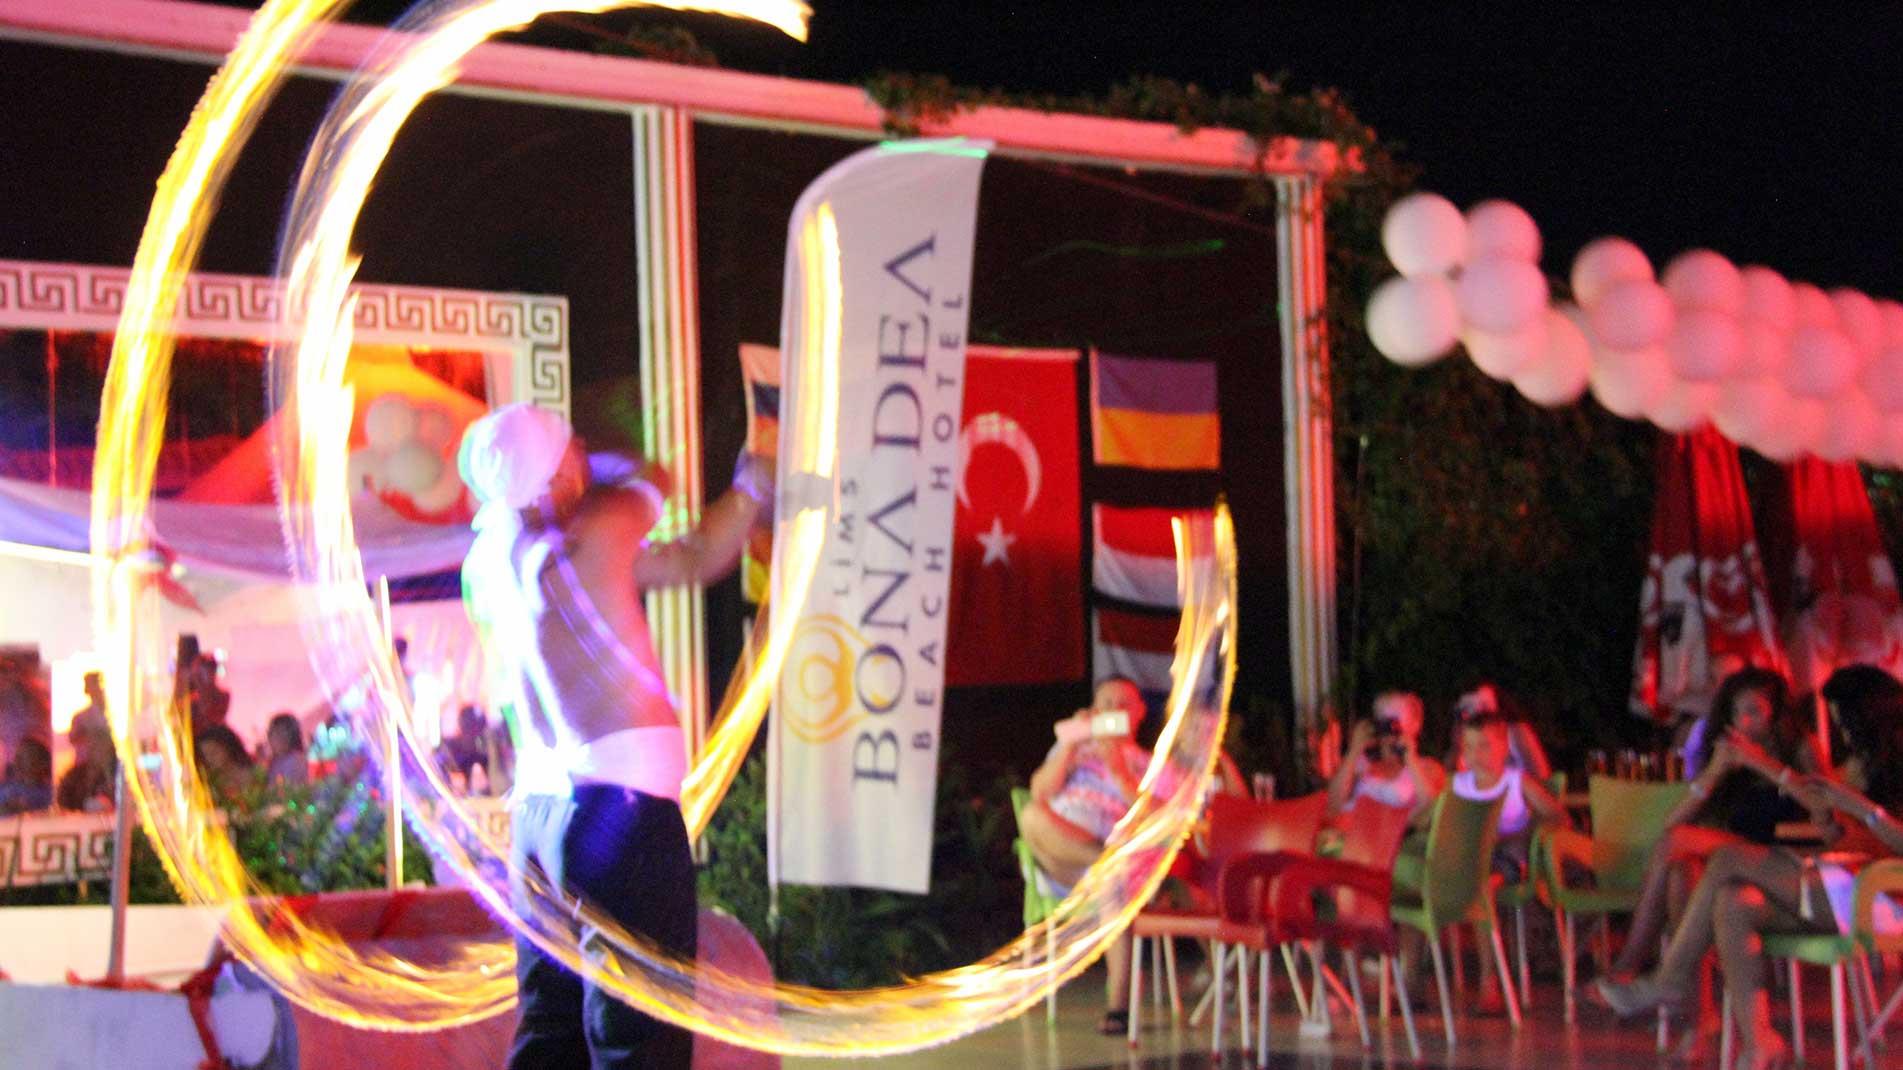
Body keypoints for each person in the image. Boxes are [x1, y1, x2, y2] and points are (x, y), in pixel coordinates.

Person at [458, 403, 770, 1070]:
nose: (582, 451)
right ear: (555, 475)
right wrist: (754, 481)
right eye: (570, 447)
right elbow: (654, 480)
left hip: (539, 824)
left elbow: (689, 560)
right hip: (616, 817)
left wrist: (747, 501)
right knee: (639, 1035)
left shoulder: (488, 563)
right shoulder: (594, 531)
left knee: (551, 1034)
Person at [1597, 672, 1903, 1070]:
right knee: (1733, 899)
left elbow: (1881, 839)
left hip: (1879, 895)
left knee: (1724, 859)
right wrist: (1833, 819)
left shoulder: (1877, 766)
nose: (1837, 728)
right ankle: (1761, 1042)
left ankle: (1668, 977)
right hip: (1838, 880)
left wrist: (1864, 810)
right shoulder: (1860, 766)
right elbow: (1843, 835)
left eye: (1841, 717)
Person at [1017, 676, 1157, 1035]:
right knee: (1031, 815)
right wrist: (1070, 745)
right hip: (1061, 862)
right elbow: (1040, 791)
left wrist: (1119, 770)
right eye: (1106, 703)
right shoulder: (1073, 748)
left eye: (1124, 703)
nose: (1114, 710)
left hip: (1111, 871)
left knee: (1112, 881)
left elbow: (1155, 819)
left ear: (1140, 712)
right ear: (1094, 710)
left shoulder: (1147, 763)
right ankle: (1102, 861)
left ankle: (1119, 1008)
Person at [1452, 712, 1567, 1013]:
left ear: (1504, 747)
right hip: (1469, 861)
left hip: (1507, 860)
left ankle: (1490, 981)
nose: (1476, 754)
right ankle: (1410, 979)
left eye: (1484, 746)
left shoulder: (1516, 781)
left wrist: (1519, 833)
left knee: (1481, 889)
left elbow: (1557, 816)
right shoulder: (1458, 785)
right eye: (1469, 747)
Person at [1325, 691, 1446, 822]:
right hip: (1352, 829)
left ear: (1413, 724)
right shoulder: (1362, 764)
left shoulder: (1427, 767)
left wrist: (1410, 759)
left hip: (1392, 831)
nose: (1387, 729)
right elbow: (1333, 804)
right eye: (1381, 722)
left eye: (1394, 722)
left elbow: (1428, 809)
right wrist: (1354, 750)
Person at [56, 688, 118, 812]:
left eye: (100, 741)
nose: (95, 746)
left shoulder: (119, 778)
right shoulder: (74, 778)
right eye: (92, 741)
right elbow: (62, 804)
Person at [194, 723, 254, 803]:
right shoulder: (211, 787)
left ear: (227, 747)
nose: (210, 759)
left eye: (214, 752)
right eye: (206, 755)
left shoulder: (254, 774)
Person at [0, 737, 53, 815]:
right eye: (18, 758)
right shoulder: (7, 792)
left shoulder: (49, 794)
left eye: (31, 759)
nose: (17, 763)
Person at [265, 712, 310, 788]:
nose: (270, 739)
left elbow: (287, 790)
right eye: (270, 733)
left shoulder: (294, 760)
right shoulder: (277, 761)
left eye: (277, 733)